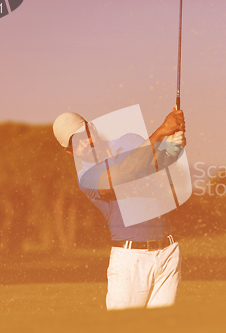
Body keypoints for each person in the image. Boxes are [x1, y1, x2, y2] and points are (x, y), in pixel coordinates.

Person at [53, 108, 186, 310]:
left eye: (84, 134)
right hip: (131, 260)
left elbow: (159, 163)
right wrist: (161, 132)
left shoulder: (131, 141)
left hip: (169, 252)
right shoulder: (87, 177)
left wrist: (174, 145)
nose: (85, 142)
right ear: (70, 151)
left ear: (93, 128)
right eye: (75, 142)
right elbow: (126, 173)